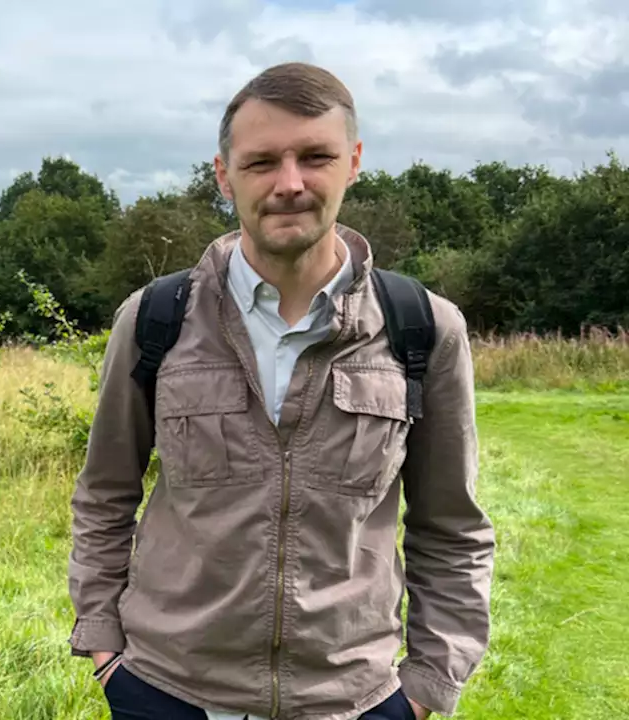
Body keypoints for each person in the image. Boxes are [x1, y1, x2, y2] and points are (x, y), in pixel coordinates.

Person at [66, 62, 495, 720]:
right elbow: (104, 493)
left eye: (315, 157)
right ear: (223, 174)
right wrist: (106, 653)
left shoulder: (423, 329)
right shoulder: (156, 318)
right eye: (262, 162)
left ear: (352, 162)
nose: (289, 184)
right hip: (165, 691)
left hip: (354, 701)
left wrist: (427, 685)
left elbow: (453, 527)